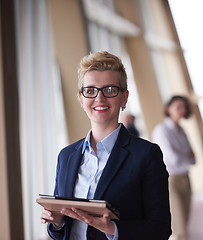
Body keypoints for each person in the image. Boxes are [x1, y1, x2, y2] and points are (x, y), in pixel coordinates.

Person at [40, 51, 172, 239]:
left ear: (124, 97)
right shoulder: (66, 156)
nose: (99, 98)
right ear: (81, 97)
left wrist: (112, 229)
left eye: (109, 90)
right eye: (90, 90)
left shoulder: (147, 154)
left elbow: (160, 229)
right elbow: (62, 228)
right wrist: (57, 222)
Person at [152, 95, 195, 240]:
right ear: (168, 109)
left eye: (184, 107)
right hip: (171, 181)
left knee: (185, 223)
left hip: (185, 178)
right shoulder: (161, 130)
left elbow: (194, 158)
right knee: (178, 227)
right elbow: (171, 158)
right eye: (178, 107)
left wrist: (184, 157)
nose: (181, 110)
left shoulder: (182, 130)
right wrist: (185, 157)